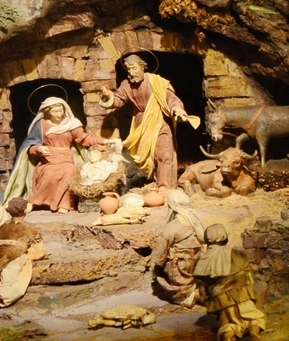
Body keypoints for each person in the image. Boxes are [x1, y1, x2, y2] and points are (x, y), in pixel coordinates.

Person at [100, 54, 199, 190]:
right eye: (128, 69)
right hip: (142, 124)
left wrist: (176, 108)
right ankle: (157, 182)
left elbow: (170, 97)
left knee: (164, 153)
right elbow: (118, 100)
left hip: (160, 121)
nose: (131, 72)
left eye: (134, 68)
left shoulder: (157, 81)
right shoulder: (126, 84)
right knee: (151, 156)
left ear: (143, 67)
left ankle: (165, 186)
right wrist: (108, 96)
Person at [14, 98, 102, 213]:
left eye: (60, 111)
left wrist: (104, 141)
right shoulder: (41, 125)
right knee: (49, 174)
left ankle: (65, 204)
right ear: (48, 112)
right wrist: (39, 149)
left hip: (66, 159)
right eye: (55, 111)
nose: (58, 114)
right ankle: (34, 201)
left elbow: (84, 138)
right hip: (48, 160)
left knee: (70, 172)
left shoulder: (71, 124)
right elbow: (30, 146)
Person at [195, 223, 265, 341]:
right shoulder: (238, 254)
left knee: (228, 324)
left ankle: (227, 337)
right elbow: (250, 276)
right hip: (243, 295)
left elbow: (202, 288)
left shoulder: (203, 261)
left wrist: (208, 300)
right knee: (255, 318)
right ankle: (254, 333)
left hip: (222, 300)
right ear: (225, 237)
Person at [153, 189, 205, 307]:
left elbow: (161, 248)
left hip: (181, 265)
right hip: (197, 261)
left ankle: (189, 296)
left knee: (159, 270)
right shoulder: (195, 220)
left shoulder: (173, 226)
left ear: (171, 206)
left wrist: (158, 263)